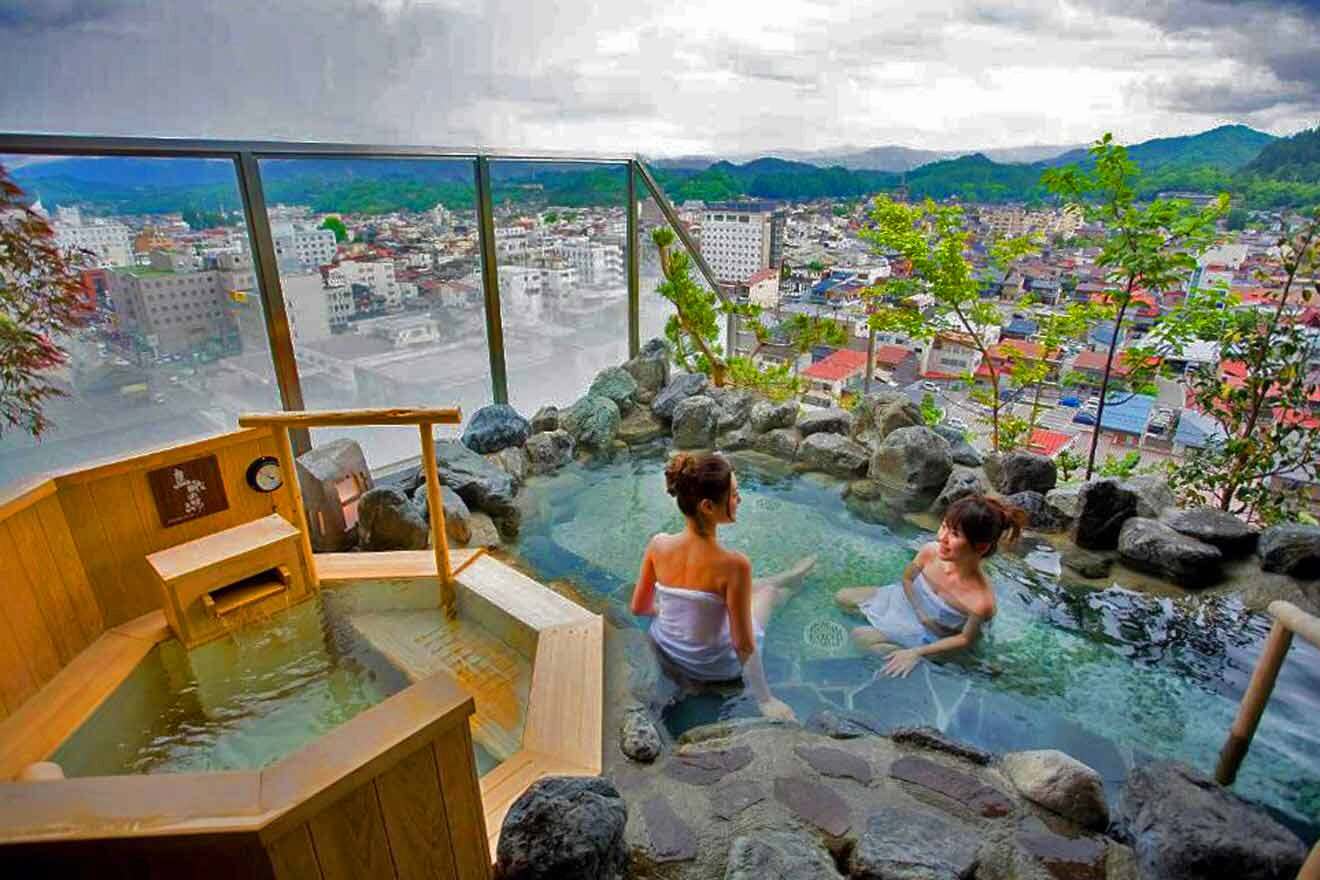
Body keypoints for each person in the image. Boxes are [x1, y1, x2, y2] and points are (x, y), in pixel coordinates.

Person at [630, 452, 815, 721]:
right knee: (771, 593)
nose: (739, 500)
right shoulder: (734, 565)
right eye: (733, 495)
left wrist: (677, 610)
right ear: (707, 506)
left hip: (666, 649)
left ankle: (785, 577)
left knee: (735, 592)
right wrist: (765, 700)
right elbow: (743, 645)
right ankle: (789, 581)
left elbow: (640, 607)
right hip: (714, 666)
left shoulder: (658, 544)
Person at [836, 495, 1024, 678]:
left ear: (981, 547)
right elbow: (908, 579)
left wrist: (917, 652)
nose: (942, 537)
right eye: (944, 526)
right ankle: (887, 630)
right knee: (842, 597)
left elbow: (965, 639)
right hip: (909, 602)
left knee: (860, 637)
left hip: (932, 632)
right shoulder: (930, 552)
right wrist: (922, 614)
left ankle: (918, 656)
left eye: (955, 534)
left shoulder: (981, 601)